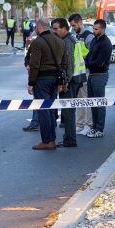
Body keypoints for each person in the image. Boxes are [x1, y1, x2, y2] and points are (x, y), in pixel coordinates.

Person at [27, 18, 69, 151]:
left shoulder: (38, 42)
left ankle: (47, 141)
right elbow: (64, 62)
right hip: (55, 79)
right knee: (51, 109)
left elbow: (34, 65)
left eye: (35, 27)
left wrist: (31, 83)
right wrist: (62, 81)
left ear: (39, 27)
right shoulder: (60, 41)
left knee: (43, 110)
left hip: (42, 80)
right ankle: (52, 139)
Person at [52, 18, 80, 148]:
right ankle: (69, 138)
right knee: (68, 111)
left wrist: (66, 82)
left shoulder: (67, 41)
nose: (54, 31)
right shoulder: (68, 39)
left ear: (65, 28)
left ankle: (70, 140)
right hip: (72, 80)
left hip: (70, 81)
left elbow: (69, 64)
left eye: (56, 28)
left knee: (68, 112)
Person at [85, 19, 113, 138]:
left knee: (99, 103)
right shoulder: (94, 40)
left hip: (100, 75)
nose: (94, 31)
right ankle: (94, 126)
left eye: (96, 29)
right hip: (92, 74)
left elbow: (99, 63)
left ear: (103, 29)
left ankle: (100, 129)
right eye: (93, 28)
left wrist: (88, 63)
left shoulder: (106, 43)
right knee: (93, 102)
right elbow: (89, 56)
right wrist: (87, 62)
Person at [68, 14, 93, 135]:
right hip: (77, 74)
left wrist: (86, 62)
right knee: (79, 99)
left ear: (79, 23)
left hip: (86, 73)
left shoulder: (88, 36)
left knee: (86, 99)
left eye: (73, 25)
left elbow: (93, 53)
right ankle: (80, 124)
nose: (72, 28)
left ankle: (88, 124)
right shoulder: (75, 36)